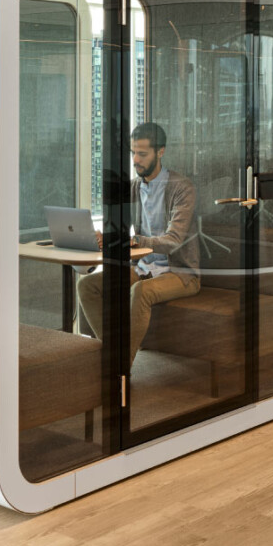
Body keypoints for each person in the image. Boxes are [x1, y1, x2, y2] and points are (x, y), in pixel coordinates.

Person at [75, 122, 201, 366]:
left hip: (180, 273)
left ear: (160, 152)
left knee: (140, 292)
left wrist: (134, 241)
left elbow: (174, 240)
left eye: (142, 154)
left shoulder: (181, 188)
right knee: (87, 285)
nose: (136, 160)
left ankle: (121, 368)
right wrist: (106, 238)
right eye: (133, 153)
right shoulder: (133, 187)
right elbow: (121, 231)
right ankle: (112, 354)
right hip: (143, 269)